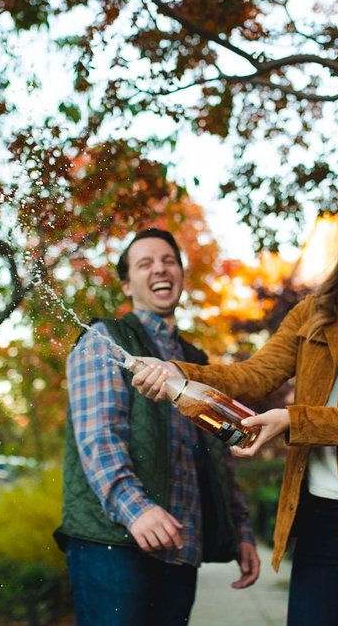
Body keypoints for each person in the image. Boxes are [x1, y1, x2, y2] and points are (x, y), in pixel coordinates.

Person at [132, 190, 338, 626]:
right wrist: (175, 371)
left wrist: (294, 420)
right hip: (322, 523)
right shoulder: (314, 312)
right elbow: (254, 375)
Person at [55, 227, 261, 626]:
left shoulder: (195, 359)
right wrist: (135, 509)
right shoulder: (105, 341)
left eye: (168, 261)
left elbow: (220, 455)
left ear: (182, 276)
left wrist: (241, 532)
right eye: (144, 263)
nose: (159, 269)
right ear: (126, 284)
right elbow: (99, 437)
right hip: (113, 543)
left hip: (181, 548)